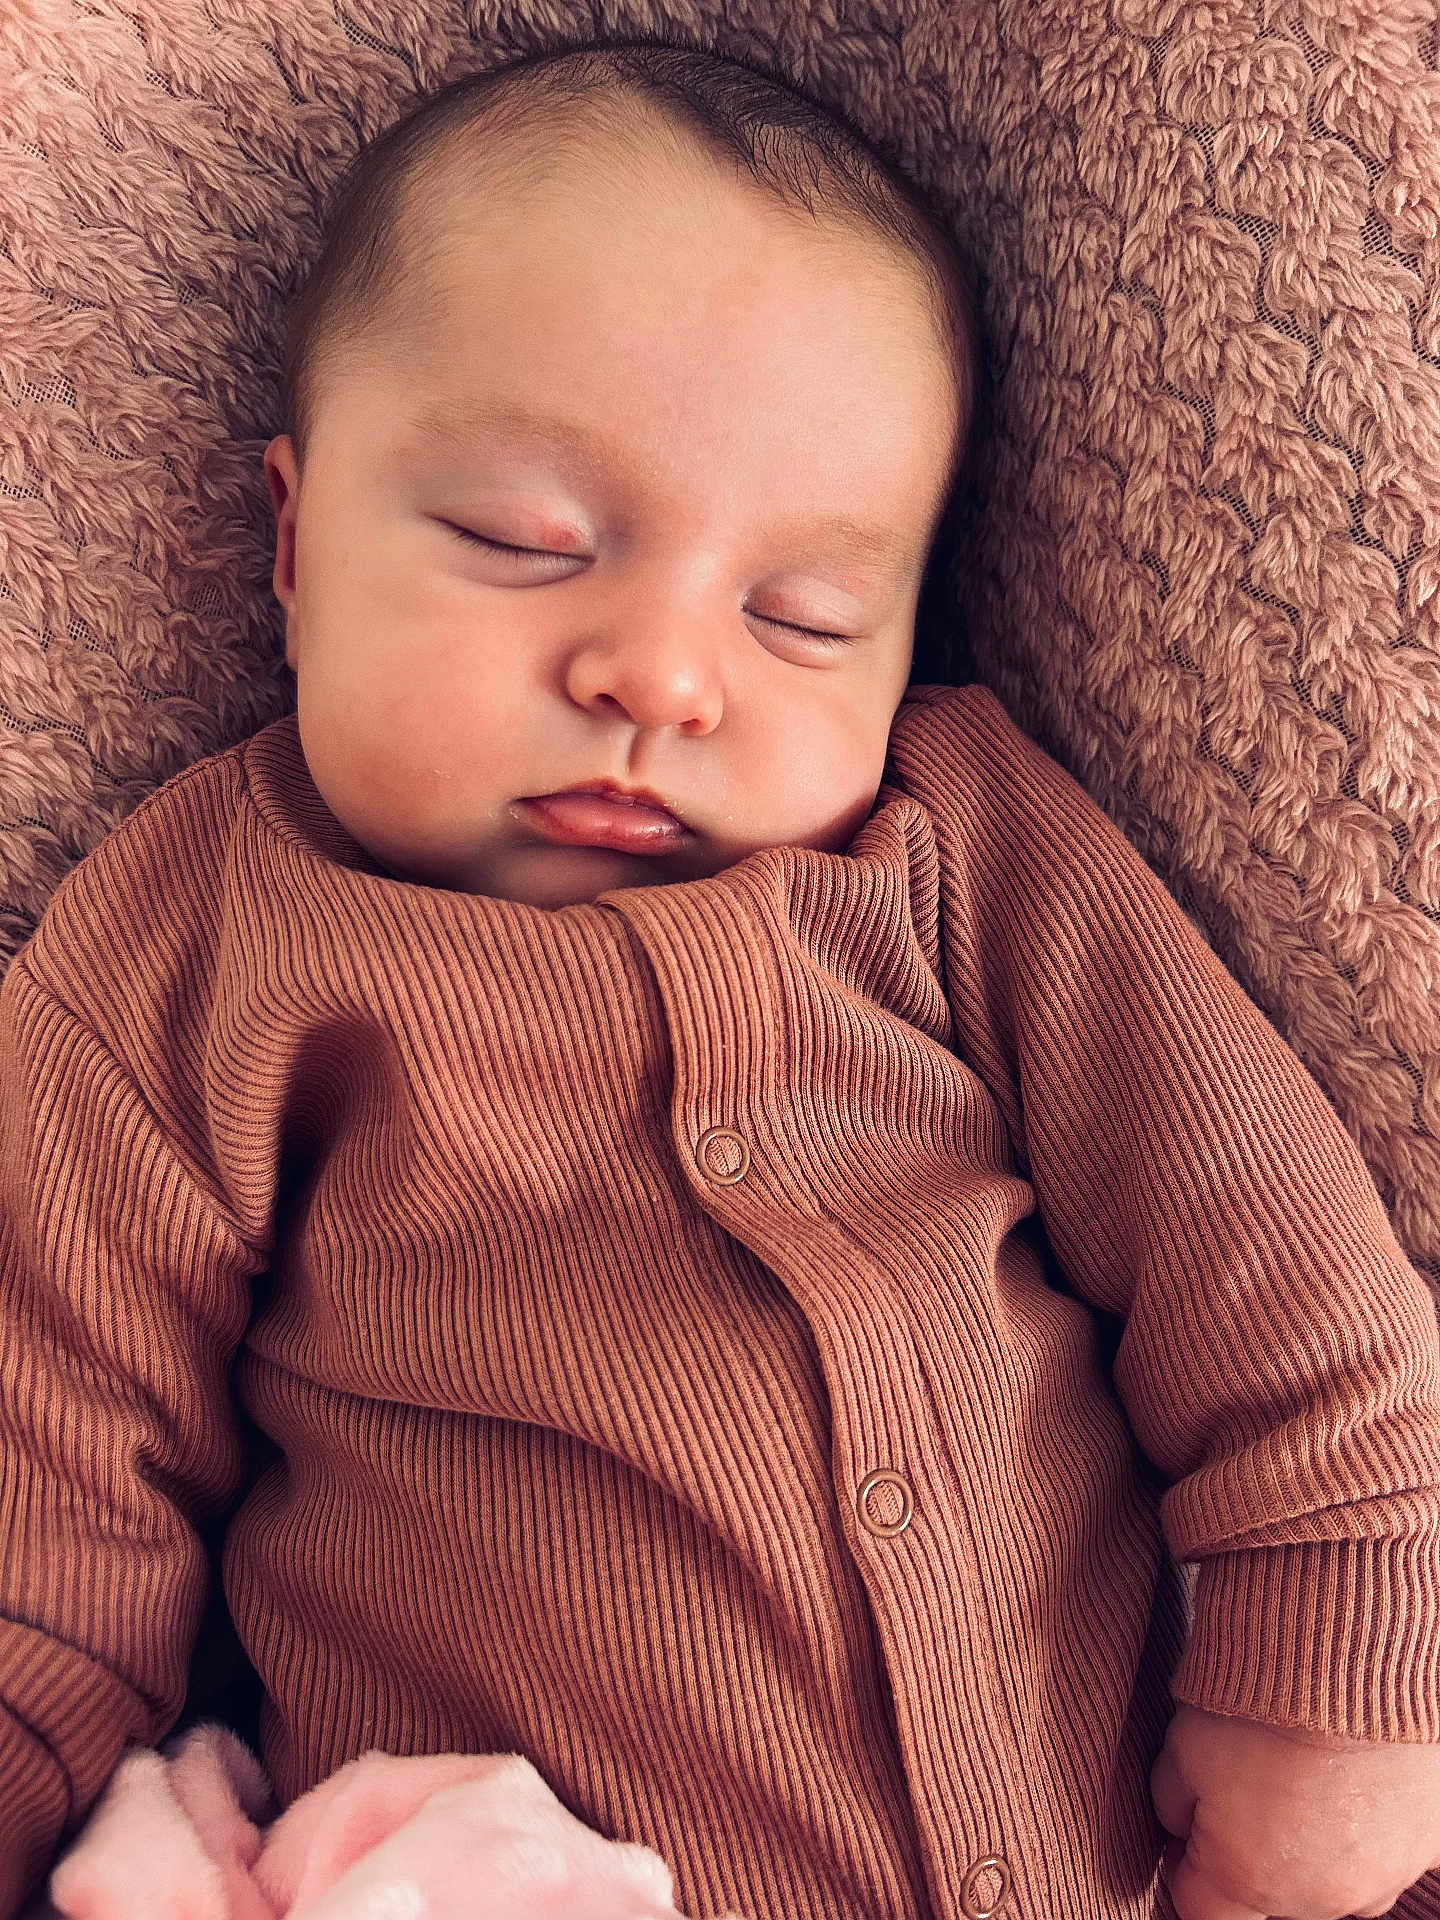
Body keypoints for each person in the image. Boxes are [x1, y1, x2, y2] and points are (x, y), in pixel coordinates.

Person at [1, 34, 1439, 1920]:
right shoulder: (189, 944)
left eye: (800, 618)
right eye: (526, 546)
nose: (663, 678)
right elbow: (53, 1490)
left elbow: (1265, 1249)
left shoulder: (962, 844)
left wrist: (1343, 1687)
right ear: (291, 538)